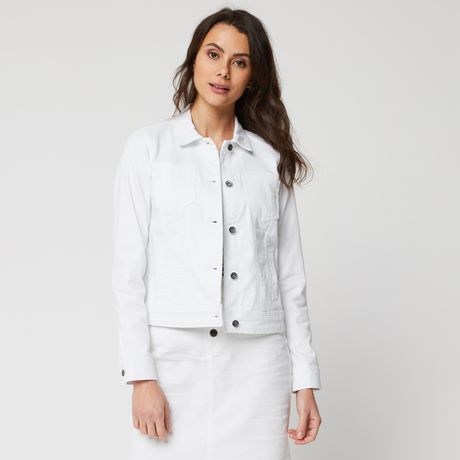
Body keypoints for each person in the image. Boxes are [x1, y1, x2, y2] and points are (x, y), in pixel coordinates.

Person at [111, 7, 322, 460]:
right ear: (194, 59)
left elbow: (290, 280)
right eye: (213, 54)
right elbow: (128, 275)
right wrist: (141, 376)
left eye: (239, 62)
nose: (223, 71)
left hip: (258, 367)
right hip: (173, 362)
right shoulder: (148, 149)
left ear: (253, 77)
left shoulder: (270, 162)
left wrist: (305, 381)